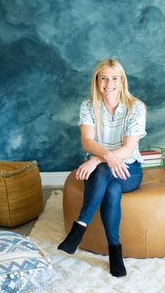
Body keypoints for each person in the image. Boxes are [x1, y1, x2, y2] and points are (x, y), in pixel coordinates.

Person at [58, 58, 147, 277]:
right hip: (101, 176)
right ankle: (115, 251)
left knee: (105, 170)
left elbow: (128, 149)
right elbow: (87, 142)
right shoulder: (88, 106)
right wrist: (104, 157)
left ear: (122, 80)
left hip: (129, 170)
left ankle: (79, 227)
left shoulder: (136, 107)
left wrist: (98, 158)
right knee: (111, 188)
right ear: (97, 80)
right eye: (104, 78)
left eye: (114, 78)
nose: (109, 84)